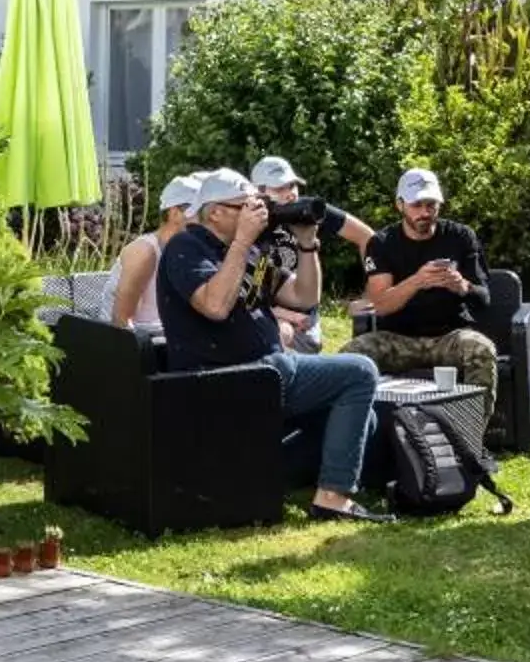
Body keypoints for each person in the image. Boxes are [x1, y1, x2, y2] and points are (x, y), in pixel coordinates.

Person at [156, 169, 387, 523]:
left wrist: (307, 243)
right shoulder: (186, 247)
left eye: (260, 206)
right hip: (227, 379)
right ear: (215, 211)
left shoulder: (250, 254)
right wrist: (242, 242)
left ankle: (260, 478)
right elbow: (215, 305)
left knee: (364, 418)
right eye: (246, 207)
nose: (259, 214)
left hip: (267, 371)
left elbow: (303, 296)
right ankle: (332, 499)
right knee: (360, 371)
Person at [352, 168, 500, 394]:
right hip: (397, 338)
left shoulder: (460, 236)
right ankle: (365, 426)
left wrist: (463, 287)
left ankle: (473, 425)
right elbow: (380, 305)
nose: (425, 212)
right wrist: (417, 281)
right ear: (400, 205)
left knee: (480, 349)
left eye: (431, 205)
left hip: (449, 336)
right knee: (351, 356)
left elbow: (484, 298)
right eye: (416, 205)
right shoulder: (382, 243)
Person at [247, 156, 376, 354]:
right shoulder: (248, 224)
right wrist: (282, 314)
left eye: (292, 186)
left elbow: (367, 238)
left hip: (305, 313)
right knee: (281, 334)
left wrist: (371, 295)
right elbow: (246, 295)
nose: (290, 194)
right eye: (280, 189)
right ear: (259, 192)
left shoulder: (308, 212)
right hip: (263, 313)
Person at [105, 175, 204, 334]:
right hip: (138, 345)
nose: (206, 221)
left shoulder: (188, 251)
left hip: (169, 339)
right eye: (200, 214)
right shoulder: (145, 252)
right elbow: (122, 321)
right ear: (175, 213)